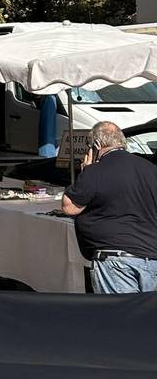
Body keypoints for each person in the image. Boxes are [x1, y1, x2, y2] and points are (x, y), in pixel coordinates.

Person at [62, 121, 157, 293]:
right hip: (151, 258)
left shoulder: (95, 170)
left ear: (96, 145)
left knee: (119, 316)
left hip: (115, 261)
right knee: (147, 317)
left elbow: (69, 207)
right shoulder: (150, 169)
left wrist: (85, 173)